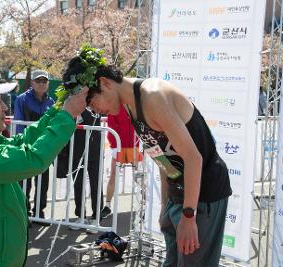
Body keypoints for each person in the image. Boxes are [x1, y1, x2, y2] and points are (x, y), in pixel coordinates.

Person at [62, 44, 232, 267]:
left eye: (92, 104)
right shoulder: (131, 105)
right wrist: (165, 206)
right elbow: (162, 159)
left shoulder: (152, 96)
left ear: (105, 83)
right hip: (178, 196)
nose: (96, 112)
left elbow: (193, 158)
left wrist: (189, 216)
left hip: (204, 195)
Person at [0, 67, 87, 266]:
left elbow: (24, 141)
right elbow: (32, 158)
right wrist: (66, 116)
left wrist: (58, 108)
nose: (4, 107)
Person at [14, 70, 54, 222]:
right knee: (25, 181)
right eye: (39, 81)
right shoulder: (21, 99)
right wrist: (22, 146)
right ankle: (23, 212)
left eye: (45, 81)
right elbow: (18, 125)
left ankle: (39, 212)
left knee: (43, 182)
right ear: (32, 83)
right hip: (27, 146)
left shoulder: (51, 102)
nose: (42, 84)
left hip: (44, 148)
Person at [101, 105, 142, 218]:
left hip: (136, 147)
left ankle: (144, 207)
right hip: (120, 147)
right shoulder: (115, 106)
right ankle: (107, 206)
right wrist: (115, 147)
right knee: (113, 175)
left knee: (142, 177)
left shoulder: (137, 104)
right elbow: (111, 127)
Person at [68, 109, 103, 234]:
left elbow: (94, 117)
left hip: (94, 149)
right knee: (78, 184)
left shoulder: (95, 102)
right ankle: (80, 216)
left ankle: (96, 218)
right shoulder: (72, 101)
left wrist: (82, 108)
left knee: (95, 184)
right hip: (77, 148)